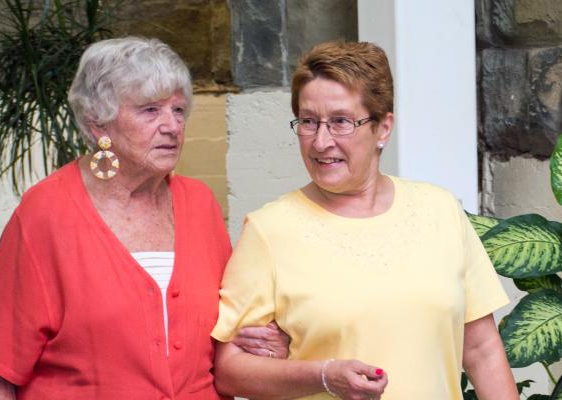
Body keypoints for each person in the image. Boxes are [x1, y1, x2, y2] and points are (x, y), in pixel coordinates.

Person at [0, 36, 287, 399]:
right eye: (150, 110)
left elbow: (224, 334)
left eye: (179, 110)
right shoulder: (46, 213)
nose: (172, 126)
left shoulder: (200, 204)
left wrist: (256, 340)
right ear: (97, 125)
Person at [210, 41, 519, 400]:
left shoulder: (440, 210)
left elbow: (482, 350)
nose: (321, 141)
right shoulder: (269, 230)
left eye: (341, 122)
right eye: (308, 121)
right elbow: (229, 372)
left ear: (383, 128)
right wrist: (322, 375)